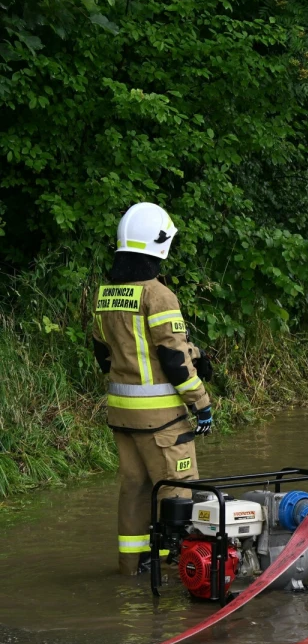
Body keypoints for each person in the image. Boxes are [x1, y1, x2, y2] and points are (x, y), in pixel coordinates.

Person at [91, 203, 213, 574]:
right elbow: (174, 362)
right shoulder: (158, 296)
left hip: (122, 415)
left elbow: (106, 354)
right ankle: (179, 571)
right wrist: (202, 403)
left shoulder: (107, 295)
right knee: (178, 488)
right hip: (161, 420)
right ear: (159, 246)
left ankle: (132, 567)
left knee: (135, 488)